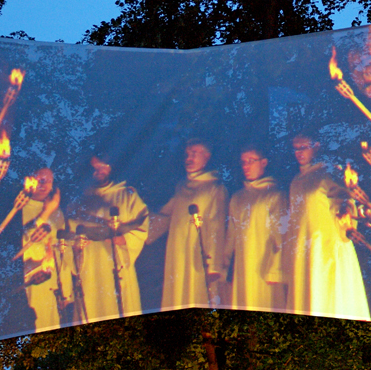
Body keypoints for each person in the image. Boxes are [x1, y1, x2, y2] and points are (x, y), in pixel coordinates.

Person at [284, 134, 370, 320]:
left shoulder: (328, 173)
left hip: (327, 248)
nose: (299, 153)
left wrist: (347, 217)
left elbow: (347, 201)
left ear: (316, 146)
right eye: (295, 148)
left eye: (303, 147)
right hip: (303, 251)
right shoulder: (295, 182)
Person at [148, 138, 228, 309]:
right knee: (176, 295)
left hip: (199, 255)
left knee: (197, 294)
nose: (189, 158)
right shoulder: (181, 186)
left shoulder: (214, 188)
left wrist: (214, 265)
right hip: (177, 253)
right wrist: (139, 233)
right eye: (187, 154)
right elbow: (165, 214)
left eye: (194, 153)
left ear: (207, 157)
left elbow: (217, 225)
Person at [68, 155, 148, 321]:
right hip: (90, 264)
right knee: (91, 308)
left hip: (116, 260)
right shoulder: (80, 199)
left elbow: (143, 223)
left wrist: (122, 240)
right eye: (95, 167)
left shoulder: (127, 195)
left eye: (103, 166)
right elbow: (69, 229)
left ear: (111, 167)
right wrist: (77, 244)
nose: (99, 170)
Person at [223, 145, 287, 310]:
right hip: (242, 268)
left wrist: (276, 269)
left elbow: (281, 235)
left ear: (264, 162)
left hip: (265, 270)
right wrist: (224, 266)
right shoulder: (237, 198)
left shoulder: (274, 195)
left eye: (251, 161)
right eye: (243, 162)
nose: (246, 166)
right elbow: (231, 236)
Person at [21, 167, 73, 331]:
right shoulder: (20, 208)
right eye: (40, 180)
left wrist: (66, 289)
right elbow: (25, 241)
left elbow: (63, 251)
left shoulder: (57, 214)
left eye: (48, 181)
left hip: (52, 282)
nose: (44, 185)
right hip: (31, 280)